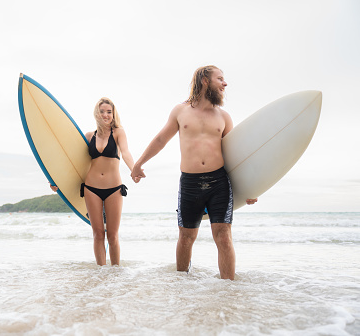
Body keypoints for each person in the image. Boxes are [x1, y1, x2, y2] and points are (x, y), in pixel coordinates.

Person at [130, 65, 257, 280]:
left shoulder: (224, 117)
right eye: (220, 79)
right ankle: (182, 287)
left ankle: (228, 290)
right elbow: (161, 139)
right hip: (190, 183)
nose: (225, 83)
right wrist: (138, 163)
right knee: (186, 237)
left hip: (219, 182)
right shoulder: (180, 111)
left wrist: (252, 187)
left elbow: (236, 156)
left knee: (223, 237)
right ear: (205, 81)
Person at [51, 97, 135, 266]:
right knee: (97, 234)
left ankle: (116, 274)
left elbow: (125, 152)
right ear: (96, 114)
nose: (105, 115)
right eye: (102, 111)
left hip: (114, 188)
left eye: (109, 112)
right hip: (91, 188)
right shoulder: (89, 136)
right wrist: (56, 181)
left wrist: (134, 169)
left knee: (112, 235)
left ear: (113, 114)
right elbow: (71, 161)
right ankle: (101, 275)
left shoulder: (118, 132)